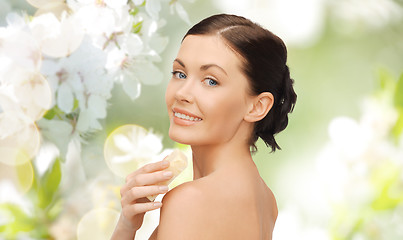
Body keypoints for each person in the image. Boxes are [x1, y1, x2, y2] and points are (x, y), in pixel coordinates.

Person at [111, 13, 297, 240]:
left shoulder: (190, 201)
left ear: (257, 106)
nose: (182, 93)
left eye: (211, 81)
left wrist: (125, 230)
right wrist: (127, 226)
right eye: (180, 74)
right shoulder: (265, 199)